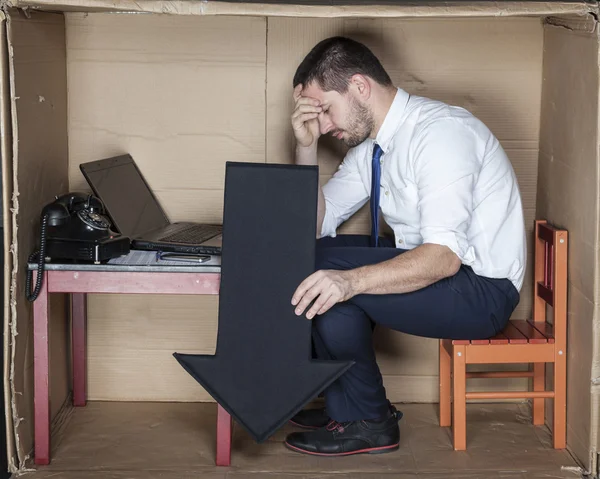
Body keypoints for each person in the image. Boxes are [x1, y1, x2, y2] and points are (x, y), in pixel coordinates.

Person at [283, 36, 527, 457]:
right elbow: (317, 224)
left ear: (360, 87)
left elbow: (444, 258)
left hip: (481, 292)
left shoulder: (441, 133)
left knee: (332, 278)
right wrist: (305, 147)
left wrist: (349, 281)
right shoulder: (373, 149)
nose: (323, 126)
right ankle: (351, 407)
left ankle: (369, 420)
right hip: (441, 275)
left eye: (323, 109)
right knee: (315, 260)